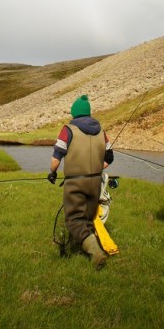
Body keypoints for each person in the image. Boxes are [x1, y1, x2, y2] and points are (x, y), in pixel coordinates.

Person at [48, 94, 114, 268]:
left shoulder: (67, 130)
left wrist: (52, 172)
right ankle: (86, 246)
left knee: (74, 219)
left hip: (75, 182)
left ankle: (96, 253)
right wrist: (98, 169)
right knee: (88, 217)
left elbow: (56, 158)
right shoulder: (101, 130)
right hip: (95, 182)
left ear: (74, 112)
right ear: (88, 112)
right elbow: (110, 157)